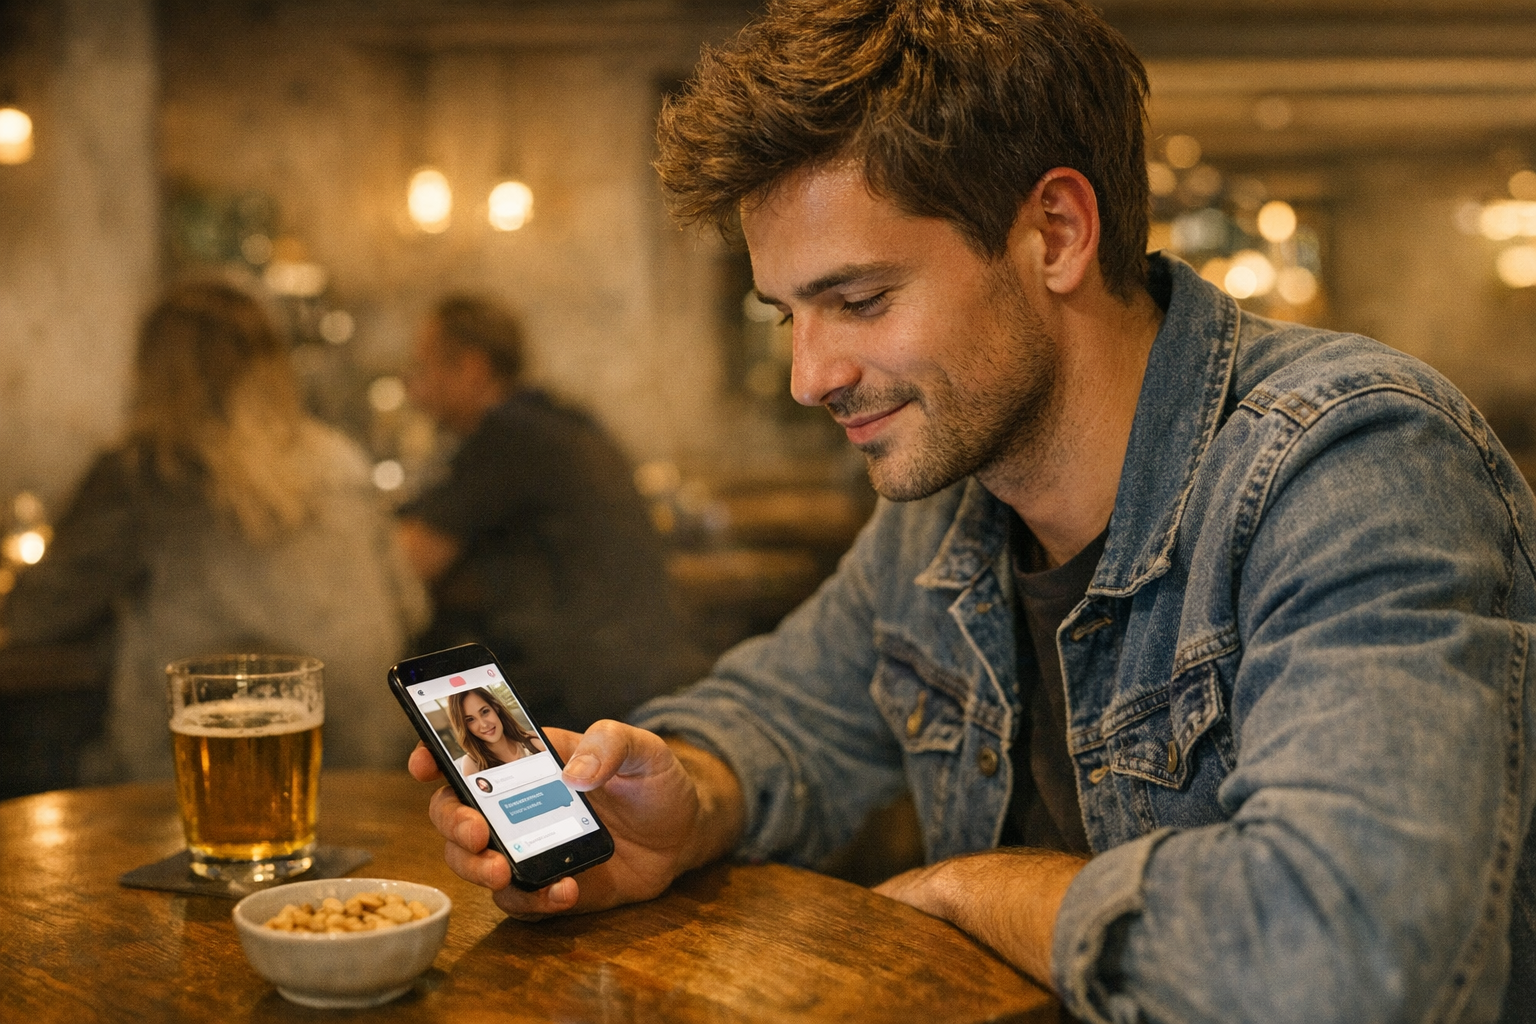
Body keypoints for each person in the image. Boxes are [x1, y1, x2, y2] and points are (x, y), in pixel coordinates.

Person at [409, 2, 1536, 1021]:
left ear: (1054, 232)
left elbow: (1353, 961)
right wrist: (690, 798)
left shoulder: (1353, 466)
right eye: (787, 314)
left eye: (858, 299)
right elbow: (791, 711)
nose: (810, 376)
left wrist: (973, 886)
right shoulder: (949, 506)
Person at [4, 280, 428, 780]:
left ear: (154, 371)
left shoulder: (148, 468)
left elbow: (36, 615)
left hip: (195, 781)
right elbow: (410, 607)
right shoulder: (343, 459)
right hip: (373, 765)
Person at [396, 294, 695, 730]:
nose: (413, 385)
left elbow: (409, 563)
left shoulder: (506, 435)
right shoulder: (559, 420)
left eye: (423, 367)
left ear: (472, 368)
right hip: (636, 668)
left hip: (574, 692)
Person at [448, 687, 544, 775]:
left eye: (485, 711)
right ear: (464, 726)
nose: (484, 725)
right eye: (470, 720)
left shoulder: (533, 741)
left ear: (495, 707)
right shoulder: (472, 763)